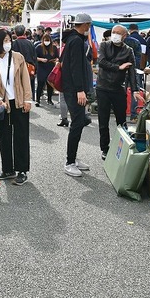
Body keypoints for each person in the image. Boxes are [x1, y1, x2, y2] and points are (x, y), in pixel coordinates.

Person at [0, 28, 33, 185]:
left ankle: (22, 170)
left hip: (18, 101)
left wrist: (28, 100)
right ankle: (8, 169)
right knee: (4, 136)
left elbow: (25, 79)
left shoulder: (18, 57)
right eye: (5, 41)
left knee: (21, 135)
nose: (8, 43)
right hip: (2, 103)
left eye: (9, 40)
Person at [60, 13, 95, 176]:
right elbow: (75, 67)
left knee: (78, 123)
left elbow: (63, 62)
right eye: (88, 25)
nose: (89, 27)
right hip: (74, 89)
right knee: (77, 123)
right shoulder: (76, 41)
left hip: (72, 88)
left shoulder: (71, 40)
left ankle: (72, 158)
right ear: (85, 25)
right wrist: (80, 90)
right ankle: (70, 161)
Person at [96, 24, 136, 161]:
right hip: (102, 87)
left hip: (118, 88)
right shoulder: (104, 45)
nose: (115, 35)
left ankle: (123, 146)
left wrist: (135, 89)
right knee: (103, 120)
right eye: (113, 32)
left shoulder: (128, 50)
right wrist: (119, 67)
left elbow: (132, 71)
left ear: (124, 36)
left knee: (122, 121)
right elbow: (101, 62)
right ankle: (104, 148)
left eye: (118, 33)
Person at [12, 24, 38, 100]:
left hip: (17, 69)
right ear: (24, 32)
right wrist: (35, 69)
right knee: (28, 89)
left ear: (15, 32)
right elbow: (34, 57)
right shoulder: (30, 43)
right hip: (29, 69)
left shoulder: (14, 43)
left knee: (18, 89)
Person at [35, 32, 59, 106]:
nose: (47, 42)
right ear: (43, 40)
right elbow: (34, 57)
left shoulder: (54, 48)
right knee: (40, 84)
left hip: (50, 67)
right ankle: (37, 100)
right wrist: (41, 59)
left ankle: (49, 99)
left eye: (48, 40)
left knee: (50, 84)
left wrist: (55, 60)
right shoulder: (38, 47)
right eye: (45, 40)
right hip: (41, 67)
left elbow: (57, 57)